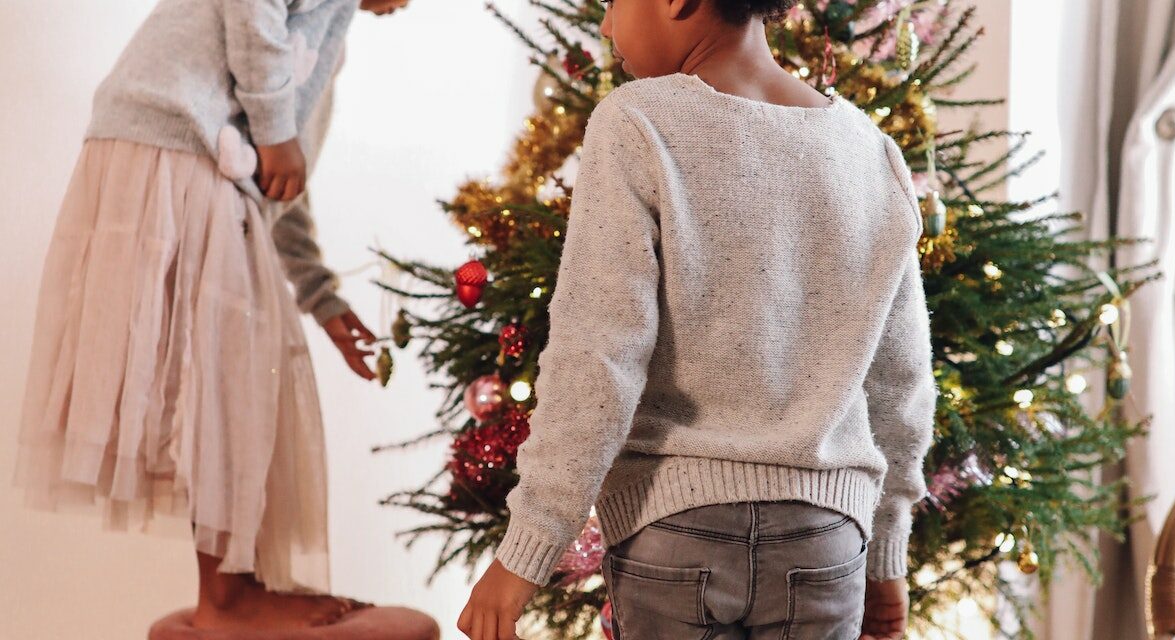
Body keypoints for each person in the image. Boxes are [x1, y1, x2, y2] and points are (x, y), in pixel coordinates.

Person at [457, 0, 937, 637]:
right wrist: (887, 553)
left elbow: (597, 355)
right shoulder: (871, 151)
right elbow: (902, 383)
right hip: (824, 542)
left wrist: (527, 550)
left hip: (673, 534)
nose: (605, 26)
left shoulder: (637, 122)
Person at [14, 0, 408, 631]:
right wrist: (275, 134)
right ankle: (228, 596)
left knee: (235, 379)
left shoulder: (328, 31)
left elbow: (279, 184)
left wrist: (321, 295)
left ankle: (235, 586)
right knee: (233, 377)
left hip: (177, 145)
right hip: (173, 138)